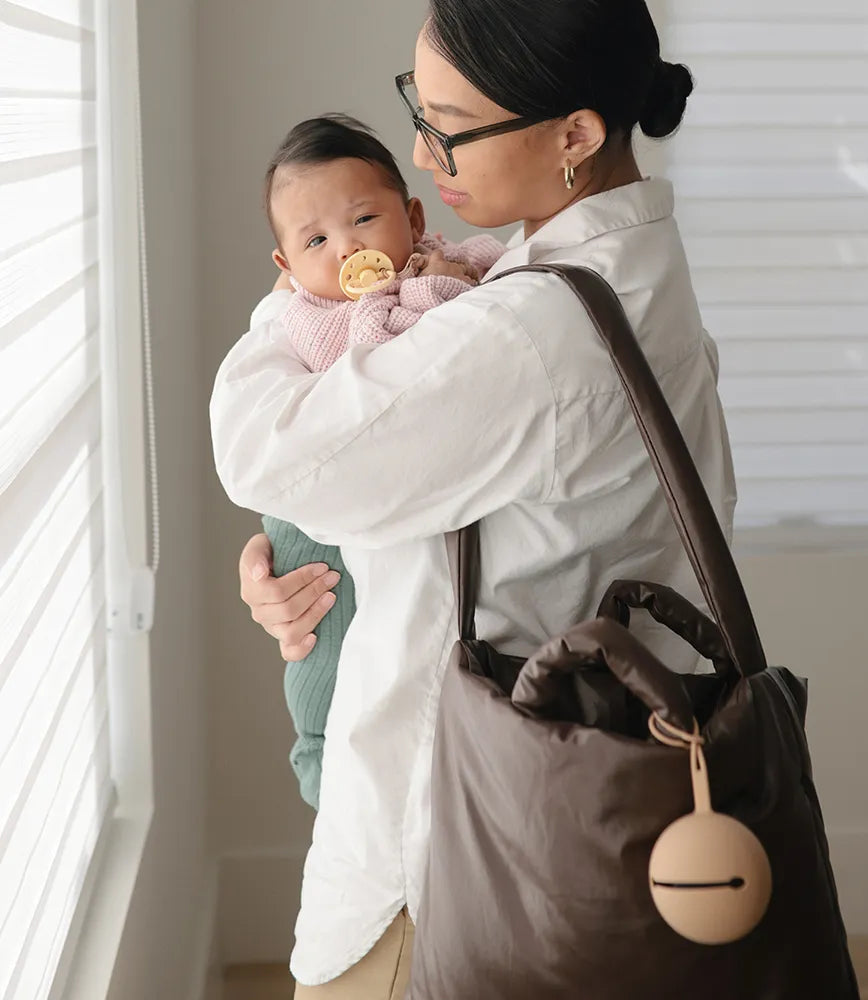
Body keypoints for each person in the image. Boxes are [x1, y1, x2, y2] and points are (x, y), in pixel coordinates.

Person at [210, 0, 736, 996]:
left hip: (445, 859)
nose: (420, 146)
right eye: (418, 104)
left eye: (449, 123)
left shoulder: (529, 330)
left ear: (574, 135)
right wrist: (331, 573)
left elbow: (263, 450)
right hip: (549, 821)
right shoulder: (621, 272)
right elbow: (510, 522)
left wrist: (299, 295)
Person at [257, 112, 506, 809]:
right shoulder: (311, 313)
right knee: (322, 652)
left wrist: (443, 273)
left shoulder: (446, 259)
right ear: (286, 269)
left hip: (377, 502)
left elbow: (476, 287)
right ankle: (318, 761)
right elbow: (369, 364)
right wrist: (415, 290)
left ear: (414, 215)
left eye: (364, 218)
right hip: (310, 530)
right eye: (316, 240)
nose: (346, 249)